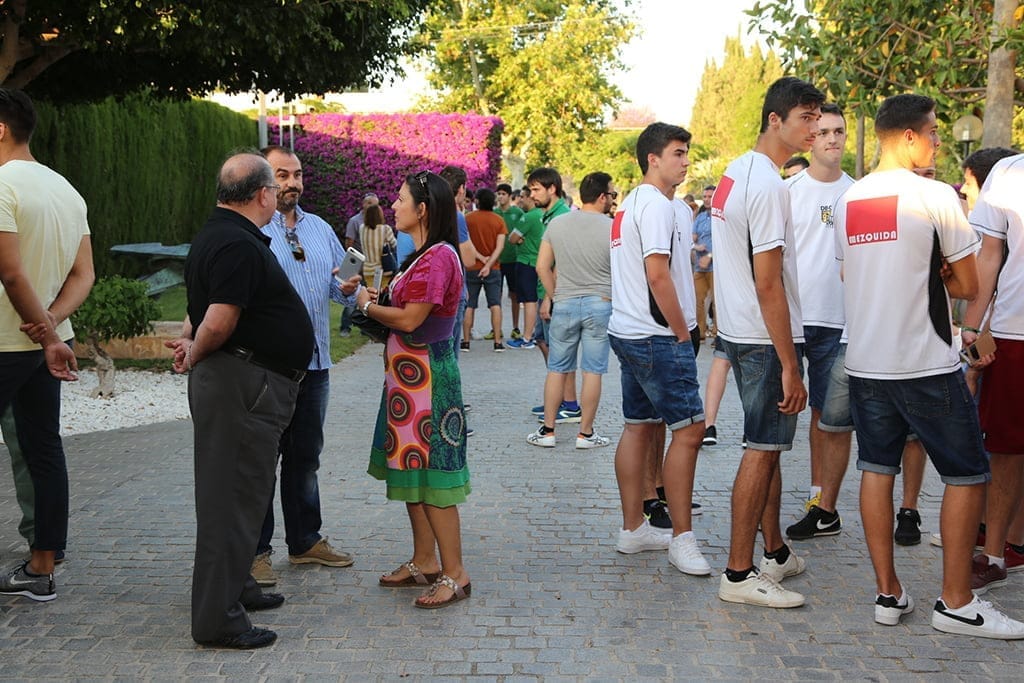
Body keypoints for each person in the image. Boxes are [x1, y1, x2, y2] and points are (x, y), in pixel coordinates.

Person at [835, 93, 1024, 638]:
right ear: (910, 137)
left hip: (868, 360)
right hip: (924, 361)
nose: (941, 141)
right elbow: (967, 285)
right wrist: (939, 270)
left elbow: (852, 273)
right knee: (967, 474)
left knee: (877, 470)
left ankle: (887, 593)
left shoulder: (854, 197)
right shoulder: (934, 195)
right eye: (935, 132)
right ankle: (957, 601)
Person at [165, 151, 315, 649]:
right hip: (243, 384)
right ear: (261, 194)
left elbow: (201, 310)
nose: (277, 194)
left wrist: (194, 342)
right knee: (231, 500)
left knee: (243, 494)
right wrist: (195, 351)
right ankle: (217, 619)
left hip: (245, 382)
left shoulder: (220, 235)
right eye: (275, 186)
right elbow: (221, 318)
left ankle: (238, 588)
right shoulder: (235, 243)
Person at [713, 77, 823, 609]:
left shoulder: (736, 171)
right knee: (761, 449)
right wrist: (790, 364)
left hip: (739, 330)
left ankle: (774, 551)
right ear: (775, 119)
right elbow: (768, 281)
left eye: (817, 117)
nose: (815, 127)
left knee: (771, 448)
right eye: (806, 117)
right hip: (762, 337)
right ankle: (738, 573)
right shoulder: (770, 185)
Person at [355, 171, 471, 609]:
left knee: (435, 480)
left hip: (428, 383)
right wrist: (372, 297)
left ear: (422, 210)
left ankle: (455, 572)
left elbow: (408, 320)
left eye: (401, 200)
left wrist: (367, 304)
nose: (394, 206)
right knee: (414, 476)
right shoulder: (424, 256)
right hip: (408, 382)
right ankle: (425, 560)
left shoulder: (438, 258)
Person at [249, 145, 360, 589]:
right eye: (281, 175)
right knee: (261, 461)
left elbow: (338, 289)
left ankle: (305, 542)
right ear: (263, 181)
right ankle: (256, 552)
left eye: (296, 175)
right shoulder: (254, 229)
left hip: (316, 366)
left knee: (305, 458)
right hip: (270, 367)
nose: (292, 183)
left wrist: (349, 289)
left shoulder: (319, 228)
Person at [0, 88, 94, 603]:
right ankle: (41, 570)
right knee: (43, 450)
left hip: (5, 341)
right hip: (43, 346)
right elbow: (85, 275)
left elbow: (11, 274)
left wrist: (42, 328)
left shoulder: (1, 185)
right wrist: (52, 327)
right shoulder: (67, 190)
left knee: (39, 450)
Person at [608, 122, 709, 577]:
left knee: (639, 426)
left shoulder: (635, 204)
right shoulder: (654, 206)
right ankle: (681, 539)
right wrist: (682, 330)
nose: (685, 161)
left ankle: (634, 528)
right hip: (657, 335)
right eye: (678, 153)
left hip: (632, 331)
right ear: (653, 157)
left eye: (686, 153)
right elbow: (657, 274)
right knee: (688, 430)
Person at [781, 103, 854, 539]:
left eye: (839, 131)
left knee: (831, 417)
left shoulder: (858, 193)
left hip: (840, 321)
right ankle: (778, 497)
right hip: (789, 319)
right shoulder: (787, 191)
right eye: (823, 131)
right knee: (787, 413)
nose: (832, 138)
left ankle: (823, 506)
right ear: (811, 139)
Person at [963, 150, 1024, 594]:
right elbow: (989, 255)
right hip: (1013, 330)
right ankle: (997, 554)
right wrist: (971, 325)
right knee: (1005, 448)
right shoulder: (1006, 172)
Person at [527, 172, 615, 450]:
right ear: (602, 196)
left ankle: (548, 431)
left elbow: (541, 266)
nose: (612, 199)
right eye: (611, 194)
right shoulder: (613, 227)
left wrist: (555, 296)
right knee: (593, 371)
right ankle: (585, 434)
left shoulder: (558, 224)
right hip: (599, 303)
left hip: (564, 301)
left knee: (557, 368)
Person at [462, 188, 507, 352]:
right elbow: (500, 246)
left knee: (469, 305)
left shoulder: (468, 219)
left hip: (472, 266)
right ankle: (497, 341)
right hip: (493, 268)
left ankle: (466, 341)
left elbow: (466, 242)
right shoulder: (499, 220)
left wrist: (480, 259)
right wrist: (488, 264)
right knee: (495, 304)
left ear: (477, 201)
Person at [340, 192, 380, 337]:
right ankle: (345, 327)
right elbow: (349, 242)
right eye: (370, 203)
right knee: (352, 295)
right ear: (363, 204)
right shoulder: (355, 221)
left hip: (372, 264)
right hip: (357, 264)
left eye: (375, 204)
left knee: (369, 296)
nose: (373, 206)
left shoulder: (377, 222)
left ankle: (365, 328)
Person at [495, 183, 524, 341]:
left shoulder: (517, 212)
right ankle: (496, 328)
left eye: (503, 194)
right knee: (496, 296)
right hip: (498, 259)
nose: (500, 196)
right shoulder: (494, 213)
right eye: (498, 193)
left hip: (513, 259)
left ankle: (515, 327)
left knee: (514, 295)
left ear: (509, 196)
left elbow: (522, 231)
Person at [691, 185, 716, 344]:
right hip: (699, 265)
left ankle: (718, 334)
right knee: (697, 300)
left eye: (710, 196)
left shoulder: (721, 216)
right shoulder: (700, 217)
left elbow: (724, 241)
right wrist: (695, 246)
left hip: (715, 266)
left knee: (718, 303)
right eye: (705, 196)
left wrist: (710, 256)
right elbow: (692, 237)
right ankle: (700, 333)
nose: (707, 199)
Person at [359, 204, 398, 281]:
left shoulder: (362, 228)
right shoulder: (385, 229)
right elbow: (395, 244)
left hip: (367, 270)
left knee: (371, 292)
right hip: (383, 270)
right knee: (382, 292)